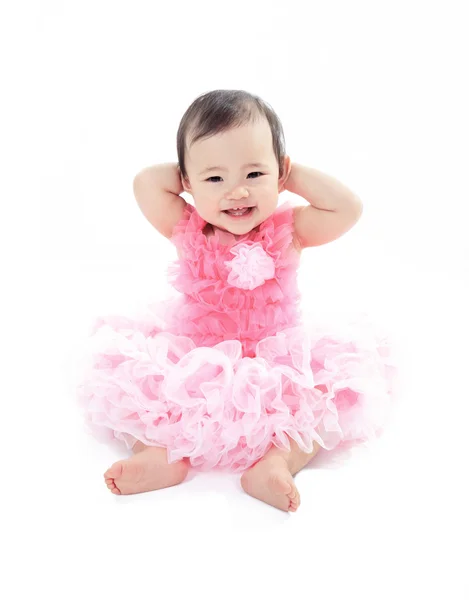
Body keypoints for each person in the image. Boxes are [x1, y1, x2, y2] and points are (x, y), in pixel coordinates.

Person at [76, 89, 398, 512]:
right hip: (194, 356)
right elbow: (145, 183)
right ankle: (158, 455)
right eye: (215, 179)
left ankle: (275, 464)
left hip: (276, 360)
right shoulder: (187, 228)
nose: (237, 193)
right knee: (142, 398)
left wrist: (288, 173)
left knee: (321, 407)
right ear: (187, 184)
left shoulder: (289, 231)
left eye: (253, 175)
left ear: (278, 174)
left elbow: (348, 208)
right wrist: (195, 177)